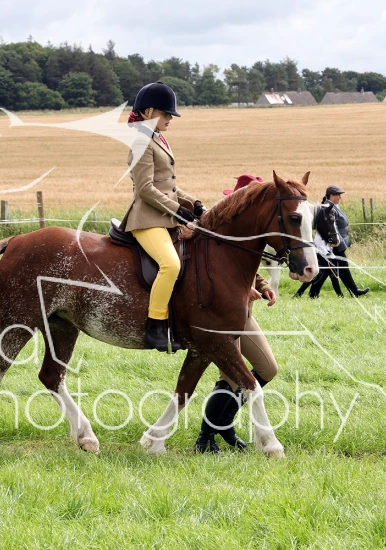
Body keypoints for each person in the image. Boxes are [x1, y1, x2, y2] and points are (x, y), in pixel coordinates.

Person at [193, 175, 280, 454]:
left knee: (268, 368)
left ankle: (224, 422)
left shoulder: (248, 233)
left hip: (244, 313)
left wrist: (263, 287)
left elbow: (250, 270)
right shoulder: (220, 232)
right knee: (230, 377)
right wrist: (243, 290)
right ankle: (205, 438)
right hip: (223, 314)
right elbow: (219, 274)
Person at [119, 81, 205, 353]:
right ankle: (155, 325)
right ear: (148, 112)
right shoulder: (141, 142)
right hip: (146, 219)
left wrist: (195, 204)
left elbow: (169, 186)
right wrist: (178, 211)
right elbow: (146, 189)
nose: (170, 119)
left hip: (164, 217)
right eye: (166, 114)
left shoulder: (157, 138)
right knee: (170, 264)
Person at [296, 185, 369, 298]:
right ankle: (351, 291)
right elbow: (328, 227)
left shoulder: (334, 206)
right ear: (331, 195)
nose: (340, 197)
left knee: (331, 270)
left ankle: (311, 293)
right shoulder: (328, 208)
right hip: (333, 244)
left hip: (338, 243)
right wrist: (331, 243)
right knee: (333, 270)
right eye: (337, 195)